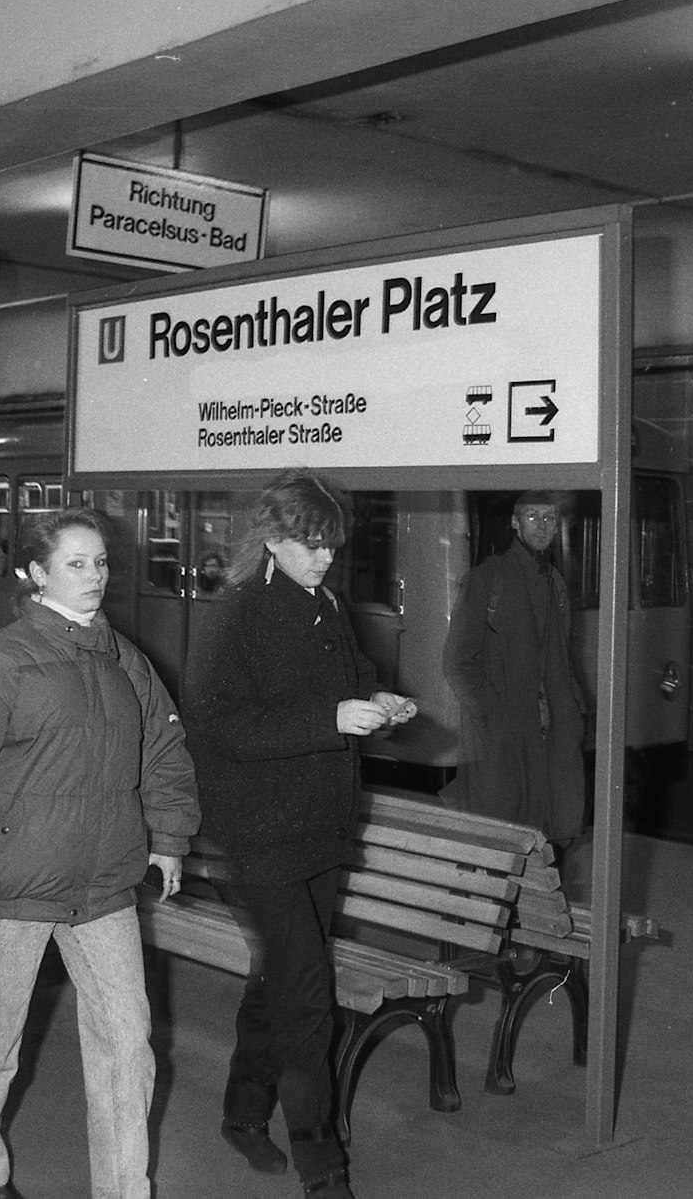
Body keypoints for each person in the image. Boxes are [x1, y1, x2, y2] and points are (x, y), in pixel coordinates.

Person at [0, 506, 199, 1199]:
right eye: (76, 563)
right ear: (35, 573)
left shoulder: (125, 658)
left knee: (129, 1047)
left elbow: (163, 747)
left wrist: (170, 836)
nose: (95, 576)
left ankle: (126, 1189)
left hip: (103, 886)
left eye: (100, 562)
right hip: (11, 883)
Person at [181, 468, 416, 1199]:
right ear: (273, 540)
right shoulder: (237, 614)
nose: (322, 557)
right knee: (310, 997)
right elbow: (216, 723)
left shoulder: (328, 605)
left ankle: (243, 1112)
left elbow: (349, 673)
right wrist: (329, 720)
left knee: (279, 979)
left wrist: (375, 695)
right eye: (309, 543)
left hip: (320, 832)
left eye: (330, 545)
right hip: (260, 837)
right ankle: (324, 1167)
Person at [441, 490, 589, 857]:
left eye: (550, 518)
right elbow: (457, 662)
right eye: (533, 517)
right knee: (498, 849)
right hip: (504, 744)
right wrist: (495, 717)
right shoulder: (487, 578)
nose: (542, 526)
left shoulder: (554, 582)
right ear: (514, 522)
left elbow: (562, 660)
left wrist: (574, 713)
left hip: (551, 741)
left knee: (548, 848)